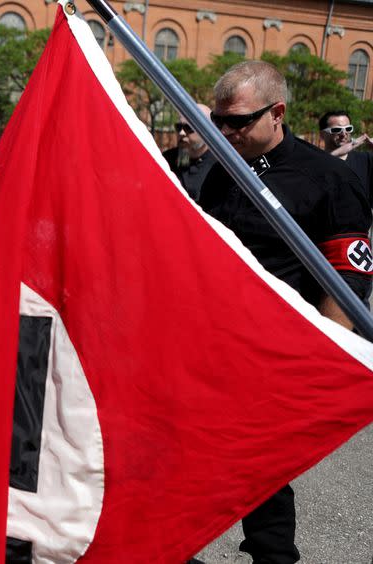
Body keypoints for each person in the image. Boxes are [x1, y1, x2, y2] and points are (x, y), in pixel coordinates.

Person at [199, 61, 372, 563]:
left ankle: (273, 558)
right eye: (218, 121)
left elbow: (348, 277)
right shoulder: (223, 173)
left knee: (260, 465)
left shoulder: (329, 179)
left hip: (279, 346)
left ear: (277, 113)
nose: (226, 132)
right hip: (218, 338)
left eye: (238, 122)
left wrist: (319, 359)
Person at [161, 103, 215, 200]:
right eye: (178, 127)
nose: (181, 133)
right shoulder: (166, 160)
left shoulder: (220, 166)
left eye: (189, 128)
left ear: (207, 131)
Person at [318, 110, 373, 206]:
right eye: (336, 130)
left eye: (348, 128)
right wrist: (336, 154)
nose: (344, 134)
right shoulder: (313, 163)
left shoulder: (366, 159)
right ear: (322, 135)